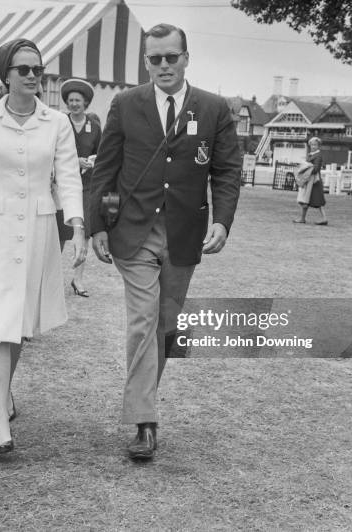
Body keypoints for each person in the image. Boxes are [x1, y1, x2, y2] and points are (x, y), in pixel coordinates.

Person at [89, 23, 242, 461]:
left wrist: (224, 222)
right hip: (133, 233)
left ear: (186, 57)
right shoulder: (125, 104)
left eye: (170, 57)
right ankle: (144, 423)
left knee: (166, 325)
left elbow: (227, 171)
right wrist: (99, 224)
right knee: (142, 321)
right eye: (154, 59)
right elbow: (105, 168)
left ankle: (144, 404)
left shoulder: (214, 109)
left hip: (184, 235)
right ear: (146, 62)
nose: (163, 66)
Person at [0, 39, 85, 454]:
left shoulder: (57, 122)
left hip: (39, 228)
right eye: (22, 69)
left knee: (18, 322)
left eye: (37, 69)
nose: (31, 75)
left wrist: (77, 226)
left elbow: (69, 177)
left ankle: (4, 393)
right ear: (5, 75)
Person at [56, 78, 101, 297]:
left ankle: (78, 279)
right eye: (71, 100)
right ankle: (53, 280)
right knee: (60, 233)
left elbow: (102, 153)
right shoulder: (60, 123)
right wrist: (76, 161)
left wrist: (90, 160)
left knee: (83, 232)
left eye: (78, 101)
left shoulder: (94, 126)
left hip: (87, 186)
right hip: (62, 186)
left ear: (86, 103)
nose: (74, 104)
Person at [293, 136, 328, 225]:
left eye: (315, 145)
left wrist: (305, 167)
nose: (313, 146)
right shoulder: (311, 155)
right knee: (305, 200)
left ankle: (323, 218)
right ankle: (303, 218)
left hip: (314, 181)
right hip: (309, 180)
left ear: (318, 146)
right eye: (312, 145)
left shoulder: (318, 155)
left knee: (317, 201)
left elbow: (316, 169)